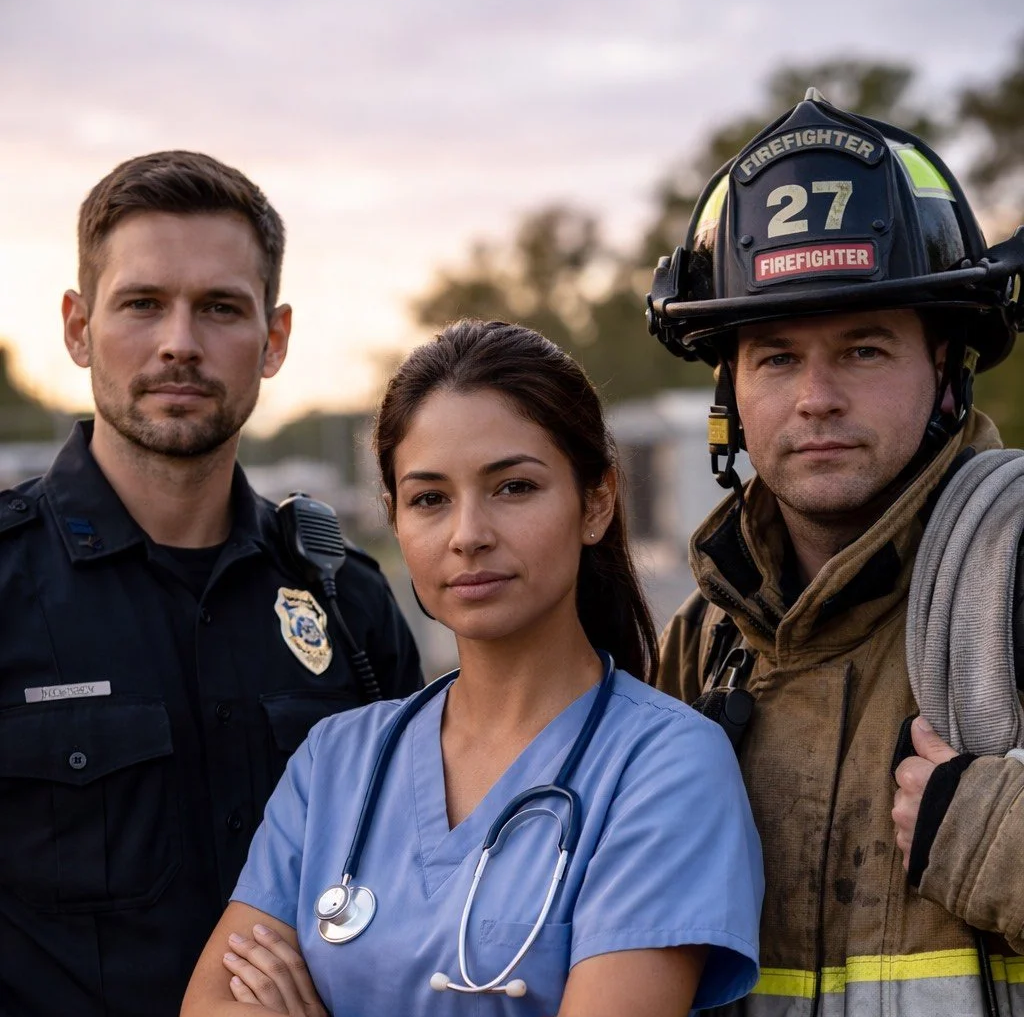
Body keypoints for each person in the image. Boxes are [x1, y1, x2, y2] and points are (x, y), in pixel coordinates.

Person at [181, 318, 764, 1017]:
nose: (468, 536)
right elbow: (214, 1002)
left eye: (513, 487)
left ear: (597, 502)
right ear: (395, 520)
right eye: (430, 499)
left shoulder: (665, 768)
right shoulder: (335, 762)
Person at [0, 151, 422, 1017]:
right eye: (143, 303)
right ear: (78, 327)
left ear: (274, 340)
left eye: (221, 308)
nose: (179, 343)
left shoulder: (347, 604)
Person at [647, 89, 1024, 1015]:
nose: (816, 397)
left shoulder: (1013, 574)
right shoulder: (703, 643)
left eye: (863, 349)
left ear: (944, 365)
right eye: (776, 356)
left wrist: (1000, 845)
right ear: (730, 387)